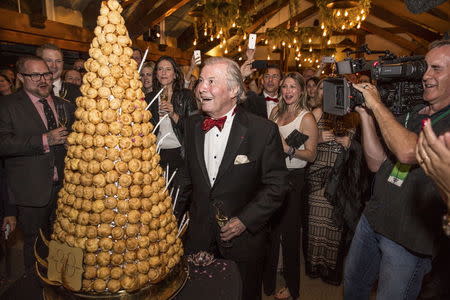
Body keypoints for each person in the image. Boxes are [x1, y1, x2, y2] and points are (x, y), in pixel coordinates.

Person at [344, 39, 450, 299]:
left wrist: (377, 105)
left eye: (436, 69)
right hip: (373, 218)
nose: (426, 76)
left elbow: (407, 151)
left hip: (408, 239)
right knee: (353, 287)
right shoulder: (412, 110)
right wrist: (367, 115)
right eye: (425, 68)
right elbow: (376, 162)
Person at [176, 56, 288, 300]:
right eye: (201, 81)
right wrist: (170, 220)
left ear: (235, 89)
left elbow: (278, 185)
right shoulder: (193, 125)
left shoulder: (262, 130)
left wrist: (245, 220)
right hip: (200, 237)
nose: (201, 87)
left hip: (244, 242)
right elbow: (186, 179)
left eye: (211, 81)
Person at [0, 55, 75, 279]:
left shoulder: (63, 105)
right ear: (21, 77)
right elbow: (3, 143)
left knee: (66, 239)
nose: (43, 79)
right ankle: (37, 287)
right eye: (35, 75)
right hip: (32, 190)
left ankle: (63, 283)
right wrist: (44, 140)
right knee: (36, 245)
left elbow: (71, 136)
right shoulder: (7, 105)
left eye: (46, 74)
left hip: (66, 188)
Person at [304, 79, 364, 285]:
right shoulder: (317, 113)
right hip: (318, 176)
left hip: (341, 180)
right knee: (315, 224)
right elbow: (299, 140)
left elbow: (371, 153)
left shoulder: (355, 117)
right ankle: (314, 267)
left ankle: (330, 270)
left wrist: (351, 144)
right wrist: (318, 139)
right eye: (324, 89)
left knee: (335, 227)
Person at [263, 72, 318, 300]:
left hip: (294, 179)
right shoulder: (276, 112)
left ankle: (294, 287)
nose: (287, 91)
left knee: (290, 235)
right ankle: (267, 282)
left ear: (301, 90)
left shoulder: (306, 118)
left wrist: (289, 149)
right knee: (271, 232)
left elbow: (312, 155)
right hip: (274, 177)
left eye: (292, 87)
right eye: (284, 86)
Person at [144, 56, 197, 173]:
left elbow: (194, 127)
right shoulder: (149, 98)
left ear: (175, 74)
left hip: (181, 153)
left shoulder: (186, 95)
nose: (163, 72)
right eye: (160, 69)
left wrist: (173, 114)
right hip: (156, 154)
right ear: (156, 74)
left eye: (168, 69)